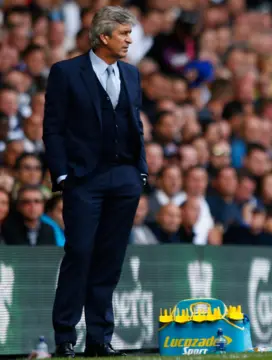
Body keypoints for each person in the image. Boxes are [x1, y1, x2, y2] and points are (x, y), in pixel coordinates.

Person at [43, 6, 147, 358]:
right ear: (104, 37)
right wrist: (62, 175)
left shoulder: (132, 75)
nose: (129, 40)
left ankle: (100, 338)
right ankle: (64, 336)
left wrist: (140, 171)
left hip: (124, 178)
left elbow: (135, 124)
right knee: (80, 253)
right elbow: (53, 128)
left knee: (110, 259)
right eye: (123, 34)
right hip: (83, 179)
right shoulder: (66, 72)